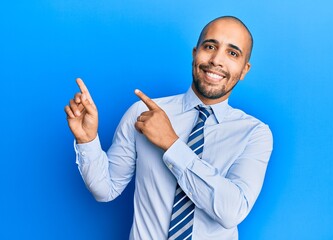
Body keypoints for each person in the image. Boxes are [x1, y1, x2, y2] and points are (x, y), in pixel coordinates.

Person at [65, 16, 273, 240]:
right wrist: (87, 140)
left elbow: (231, 212)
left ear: (244, 69)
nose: (216, 60)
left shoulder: (255, 134)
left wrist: (172, 144)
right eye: (210, 46)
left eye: (232, 53)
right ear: (195, 53)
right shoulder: (141, 113)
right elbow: (105, 189)